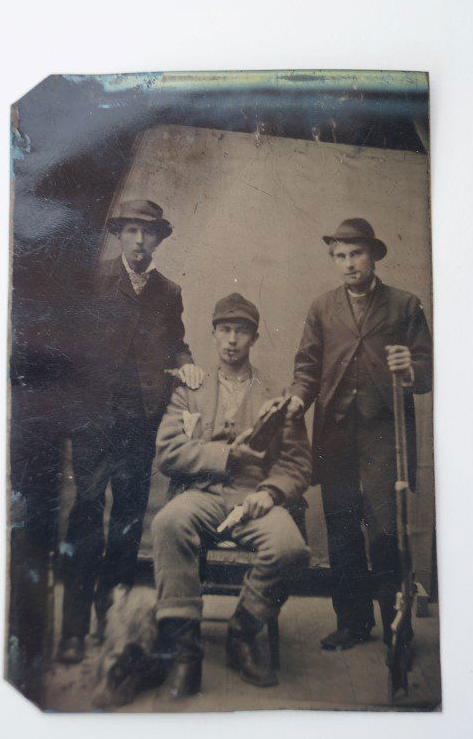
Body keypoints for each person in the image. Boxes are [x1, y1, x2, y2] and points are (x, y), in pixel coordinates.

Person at [270, 218, 432, 652]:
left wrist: (410, 368)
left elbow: (426, 372)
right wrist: (300, 400)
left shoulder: (405, 305)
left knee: (384, 529)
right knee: (341, 527)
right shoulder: (322, 308)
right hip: (336, 432)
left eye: (356, 254)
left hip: (384, 431)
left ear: (374, 255)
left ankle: (396, 624)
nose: (348, 264)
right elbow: (306, 368)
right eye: (339, 256)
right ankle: (353, 623)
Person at [58, 199, 204, 664]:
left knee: (126, 522)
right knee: (85, 516)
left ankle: (113, 618)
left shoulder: (168, 291)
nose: (139, 241)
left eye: (148, 233)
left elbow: (176, 343)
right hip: (93, 418)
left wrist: (187, 365)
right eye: (131, 232)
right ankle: (74, 629)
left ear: (159, 238)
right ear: (119, 236)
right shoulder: (93, 280)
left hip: (139, 423)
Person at [149, 293, 311, 698]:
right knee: (168, 522)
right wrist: (224, 455)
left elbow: (297, 463)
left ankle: (245, 628)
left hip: (252, 496)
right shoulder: (192, 388)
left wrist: (271, 493)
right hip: (202, 492)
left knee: (290, 548)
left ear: (254, 337)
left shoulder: (276, 392)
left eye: (241, 331)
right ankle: (184, 649)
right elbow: (168, 452)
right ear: (214, 334)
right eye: (225, 330)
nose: (232, 339)